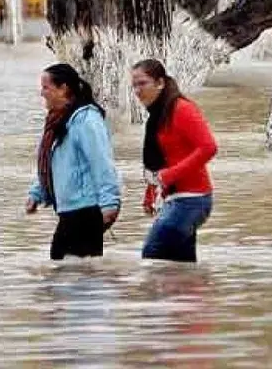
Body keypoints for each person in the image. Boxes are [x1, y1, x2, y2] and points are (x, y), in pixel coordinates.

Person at [26, 63, 122, 261]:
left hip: (86, 209)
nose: (42, 93)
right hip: (69, 209)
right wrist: (37, 193)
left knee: (69, 269)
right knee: (67, 269)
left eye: (46, 87)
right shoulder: (58, 120)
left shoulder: (87, 120)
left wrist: (110, 203)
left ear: (63, 89)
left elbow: (102, 163)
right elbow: (54, 163)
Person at [131, 59, 218, 263]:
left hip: (192, 200)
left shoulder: (181, 108)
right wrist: (151, 192)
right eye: (134, 86)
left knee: (153, 256)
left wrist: (169, 176)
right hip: (176, 200)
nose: (137, 91)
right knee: (181, 267)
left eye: (142, 83)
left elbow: (208, 147)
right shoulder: (157, 116)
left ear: (160, 83)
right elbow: (160, 160)